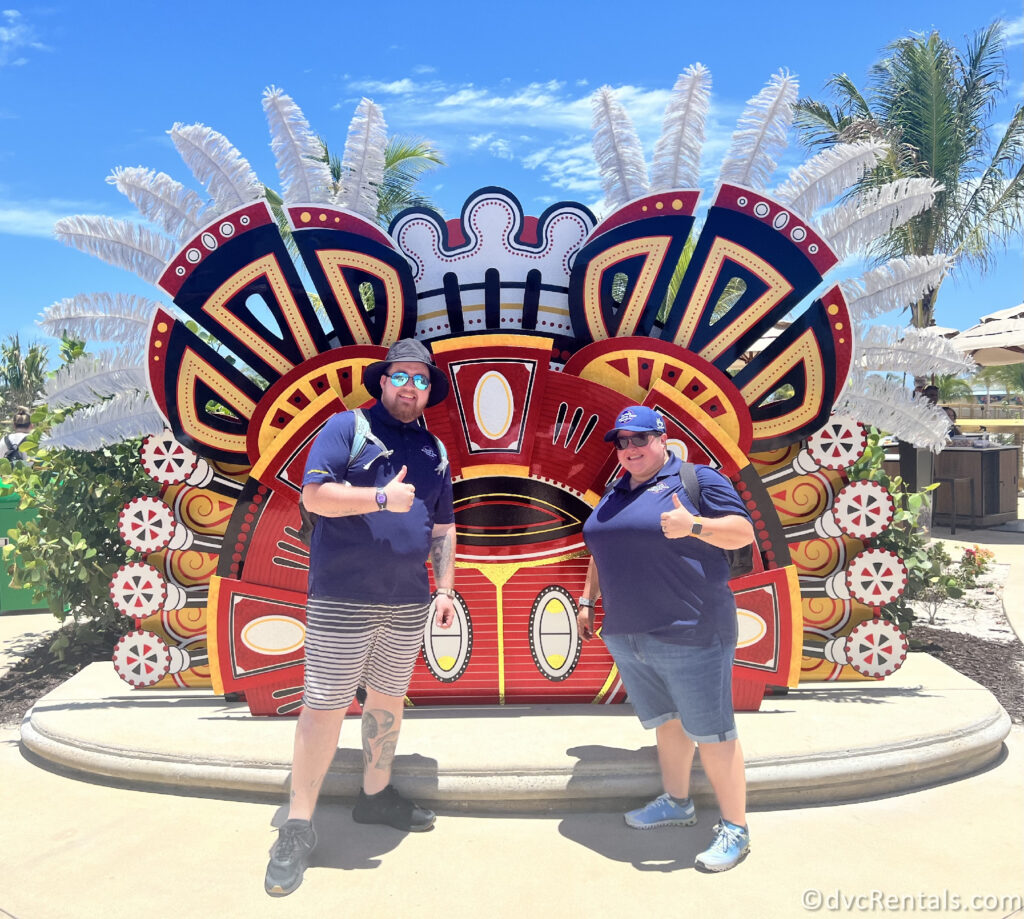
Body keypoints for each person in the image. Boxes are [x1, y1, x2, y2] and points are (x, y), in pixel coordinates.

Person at [265, 339, 457, 897]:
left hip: (407, 601)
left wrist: (444, 588)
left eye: (421, 381)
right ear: (382, 381)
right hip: (343, 598)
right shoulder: (346, 428)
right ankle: (298, 825)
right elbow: (315, 498)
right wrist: (378, 499)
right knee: (324, 707)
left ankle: (375, 796)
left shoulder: (434, 451)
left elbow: (443, 529)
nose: (410, 388)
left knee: (388, 699)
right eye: (401, 376)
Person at [578, 406, 756, 873]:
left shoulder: (699, 480)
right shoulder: (615, 491)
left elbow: (742, 533)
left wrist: (693, 525)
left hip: (692, 628)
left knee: (714, 732)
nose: (630, 449)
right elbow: (601, 547)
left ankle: (736, 828)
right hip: (628, 632)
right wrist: (586, 600)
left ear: (662, 439)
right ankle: (678, 803)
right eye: (622, 442)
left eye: (640, 439)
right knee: (667, 722)